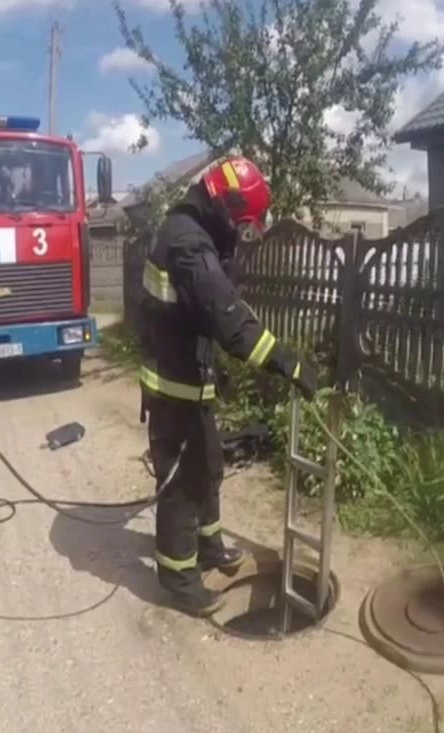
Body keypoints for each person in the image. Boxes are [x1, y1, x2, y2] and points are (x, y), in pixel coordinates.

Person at [139, 155, 317, 616]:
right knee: (180, 480)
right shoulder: (186, 244)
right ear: (223, 207)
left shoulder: (195, 231)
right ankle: (178, 575)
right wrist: (288, 364)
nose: (240, 237)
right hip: (172, 383)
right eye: (242, 227)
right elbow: (230, 321)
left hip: (191, 376)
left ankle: (208, 542)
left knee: (210, 462)